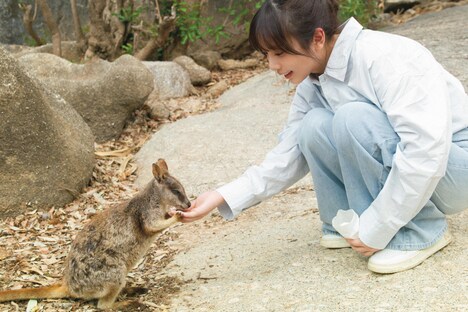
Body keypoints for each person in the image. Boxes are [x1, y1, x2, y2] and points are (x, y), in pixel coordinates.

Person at [172, 0, 468, 273]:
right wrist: (224, 195)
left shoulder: (384, 57)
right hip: (429, 165)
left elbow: (425, 152)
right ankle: (346, 223)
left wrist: (379, 226)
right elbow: (289, 153)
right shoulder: (314, 80)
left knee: (353, 118)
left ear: (317, 37)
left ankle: (420, 231)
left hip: (453, 168)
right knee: (312, 125)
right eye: (266, 54)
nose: (272, 66)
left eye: (280, 52)